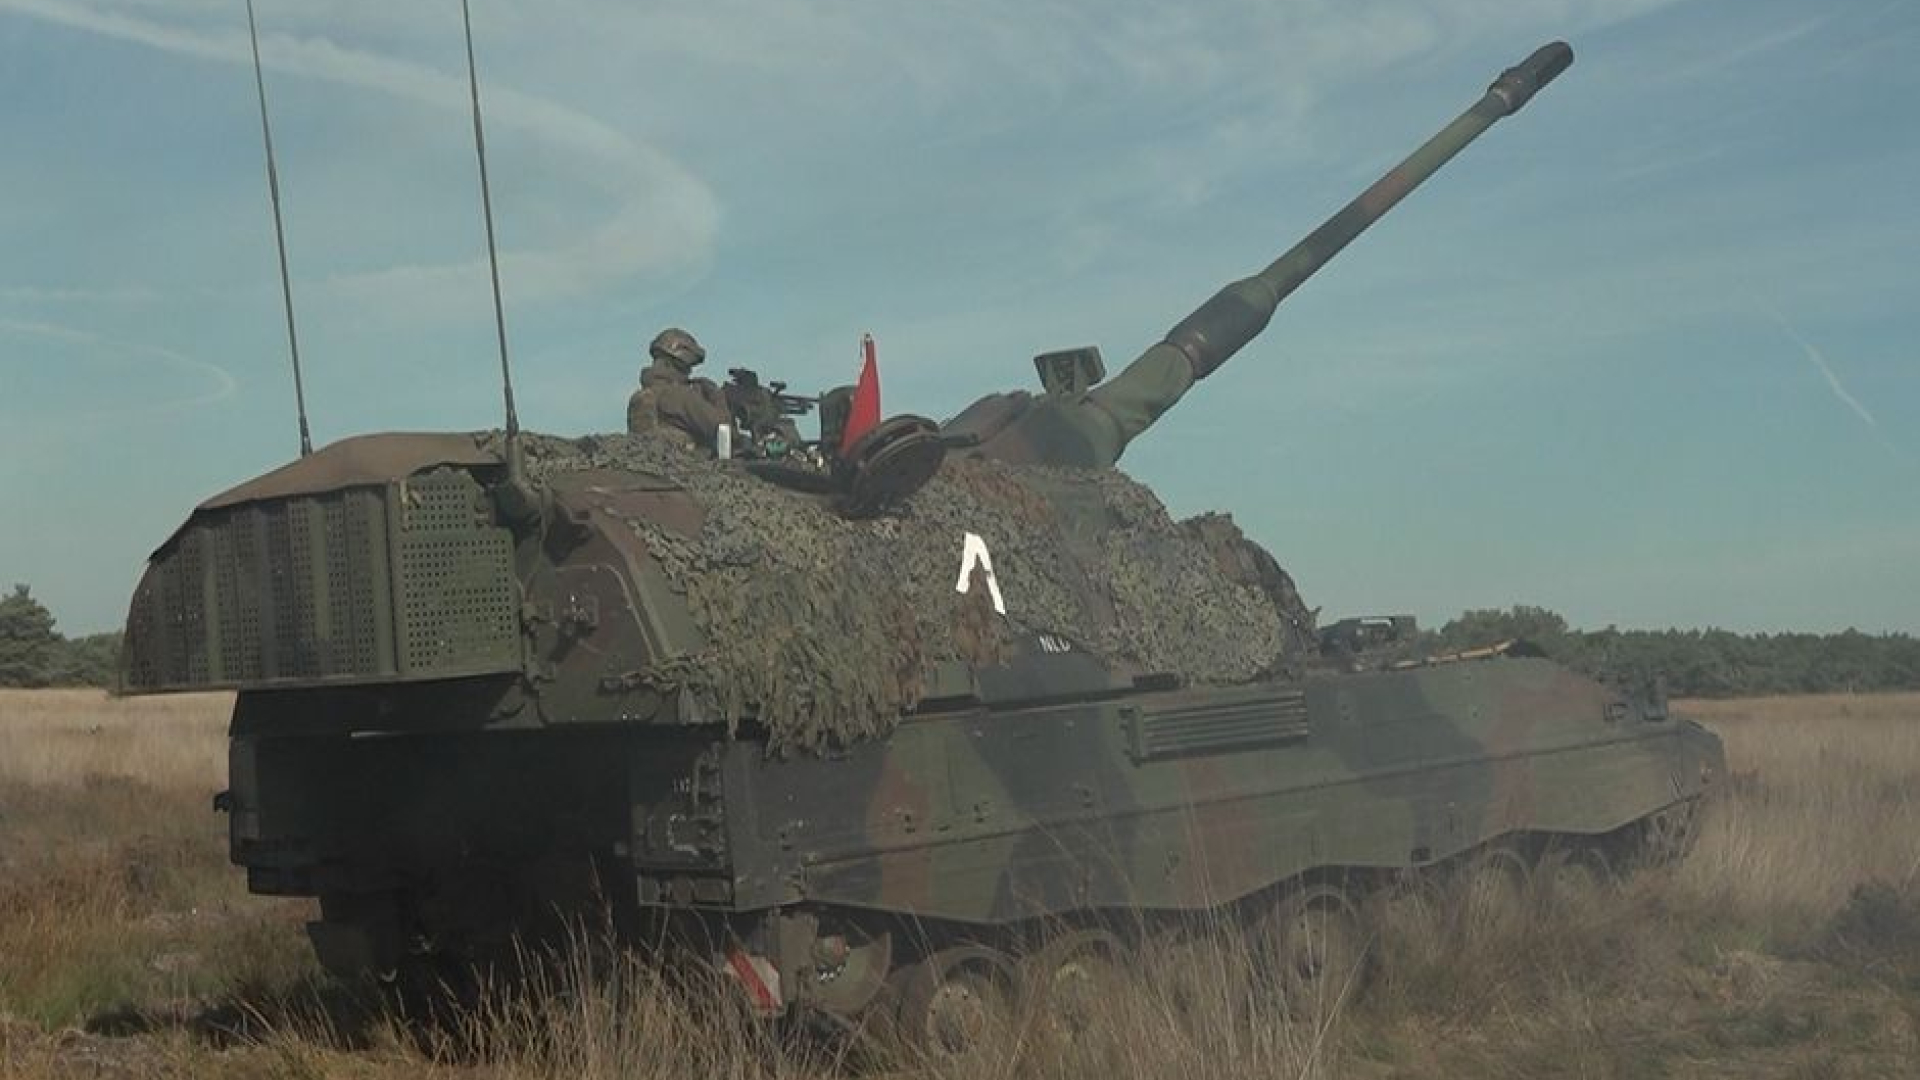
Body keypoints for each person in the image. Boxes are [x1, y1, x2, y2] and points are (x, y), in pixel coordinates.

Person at [627, 327, 732, 451]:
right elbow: (723, 431)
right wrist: (716, 396)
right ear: (679, 364)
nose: (689, 373)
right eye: (688, 367)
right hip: (688, 466)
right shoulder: (681, 396)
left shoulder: (645, 395)